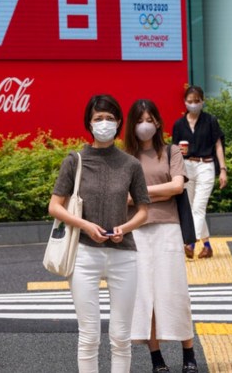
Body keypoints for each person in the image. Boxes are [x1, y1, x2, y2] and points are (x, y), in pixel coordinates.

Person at [48, 94, 150, 373]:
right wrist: (85, 225)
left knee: (120, 337)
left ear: (118, 123)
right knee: (89, 335)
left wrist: (125, 228)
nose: (104, 123)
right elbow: (54, 206)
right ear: (88, 123)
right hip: (83, 253)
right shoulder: (75, 160)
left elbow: (143, 211)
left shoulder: (131, 164)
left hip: (123, 254)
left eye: (109, 118)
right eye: (98, 118)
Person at [123, 99, 198, 373]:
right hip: (137, 231)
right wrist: (160, 191)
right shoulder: (125, 158)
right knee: (146, 296)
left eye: (151, 118)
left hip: (168, 228)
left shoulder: (171, 151)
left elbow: (178, 186)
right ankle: (157, 359)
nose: (146, 124)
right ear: (133, 123)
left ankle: (188, 354)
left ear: (158, 122)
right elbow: (123, 198)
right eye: (141, 119)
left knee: (175, 292)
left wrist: (140, 194)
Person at [172, 86, 227, 260]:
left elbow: (218, 145)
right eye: (190, 101)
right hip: (186, 166)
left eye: (197, 101)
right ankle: (207, 246)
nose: (193, 104)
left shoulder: (210, 120)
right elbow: (174, 149)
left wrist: (223, 170)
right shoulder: (179, 124)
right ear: (184, 102)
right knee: (191, 208)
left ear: (203, 101)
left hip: (206, 165)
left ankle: (190, 243)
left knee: (198, 207)